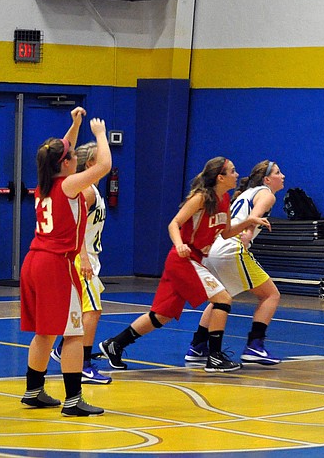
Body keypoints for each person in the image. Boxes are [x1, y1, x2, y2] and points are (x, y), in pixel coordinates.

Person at [98, 157, 270, 373]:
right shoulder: (200, 198)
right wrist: (179, 244)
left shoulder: (224, 199)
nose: (237, 175)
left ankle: (115, 344)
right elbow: (174, 223)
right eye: (233, 171)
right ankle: (215, 357)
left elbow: (226, 233)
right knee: (223, 299)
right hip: (183, 259)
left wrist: (249, 222)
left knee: (161, 315)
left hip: (193, 259)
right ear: (220, 177)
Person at [20, 107, 111, 417]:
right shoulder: (70, 186)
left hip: (33, 261)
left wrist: (74, 125)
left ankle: (34, 391)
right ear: (67, 164)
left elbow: (59, 150)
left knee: (44, 331)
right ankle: (73, 400)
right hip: (55, 265)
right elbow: (105, 164)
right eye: (70, 154)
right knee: (73, 332)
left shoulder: (45, 183)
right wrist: (100, 135)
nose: (72, 154)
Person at [185, 160, 285, 366]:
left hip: (214, 248)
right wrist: (248, 234)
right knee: (271, 295)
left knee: (221, 298)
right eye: (277, 172)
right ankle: (254, 347)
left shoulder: (246, 193)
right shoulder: (267, 194)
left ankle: (198, 345)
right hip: (231, 247)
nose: (282, 176)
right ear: (267, 179)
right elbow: (254, 217)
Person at [50, 141, 112, 385]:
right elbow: (75, 224)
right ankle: (83, 365)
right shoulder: (86, 191)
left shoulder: (92, 191)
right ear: (91, 164)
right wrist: (84, 256)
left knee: (85, 310)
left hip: (88, 257)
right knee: (92, 310)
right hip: (80, 259)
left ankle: (62, 349)